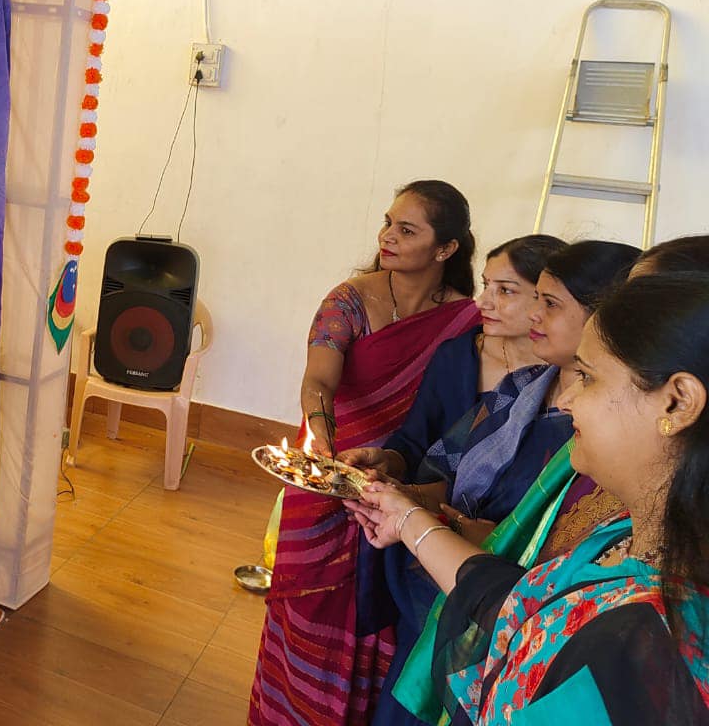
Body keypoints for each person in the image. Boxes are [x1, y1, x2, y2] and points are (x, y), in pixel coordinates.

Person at [349, 273, 709, 725]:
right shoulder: (625, 533)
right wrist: (406, 518)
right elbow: (521, 603)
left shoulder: (649, 645)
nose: (568, 399)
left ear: (677, 403)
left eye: (588, 377)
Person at [250, 180, 481, 726]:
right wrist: (323, 446)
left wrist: (402, 478)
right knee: (309, 602)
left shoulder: (465, 321)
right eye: (387, 223)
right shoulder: (348, 300)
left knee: (381, 611)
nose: (387, 237)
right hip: (329, 474)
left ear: (446, 248)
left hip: (399, 486)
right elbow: (318, 381)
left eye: (407, 230)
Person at [341, 234, 565, 488]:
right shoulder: (458, 357)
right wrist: (388, 461)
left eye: (505, 290)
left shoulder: (565, 378)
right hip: (425, 506)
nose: (482, 302)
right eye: (485, 285)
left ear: (549, 299)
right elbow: (414, 444)